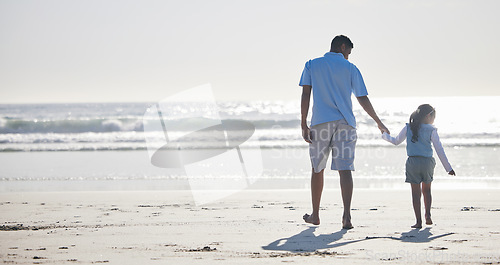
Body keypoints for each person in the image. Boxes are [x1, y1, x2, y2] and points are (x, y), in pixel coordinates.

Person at [299, 35, 389, 229]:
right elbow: (362, 97)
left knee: (317, 168)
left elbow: (306, 93)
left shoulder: (312, 64)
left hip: (321, 122)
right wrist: (378, 122)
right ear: (342, 46)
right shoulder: (351, 68)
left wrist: (303, 123)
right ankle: (347, 216)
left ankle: (315, 214)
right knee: (345, 169)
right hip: (346, 124)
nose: (348, 55)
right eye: (348, 51)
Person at [382, 104, 456, 228]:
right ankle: (428, 214)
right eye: (434, 117)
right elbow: (439, 150)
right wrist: (448, 168)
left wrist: (384, 135)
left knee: (415, 194)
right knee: (427, 191)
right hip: (427, 163)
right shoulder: (432, 130)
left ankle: (418, 221)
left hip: (413, 163)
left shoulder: (408, 127)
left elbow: (395, 141)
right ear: (428, 116)